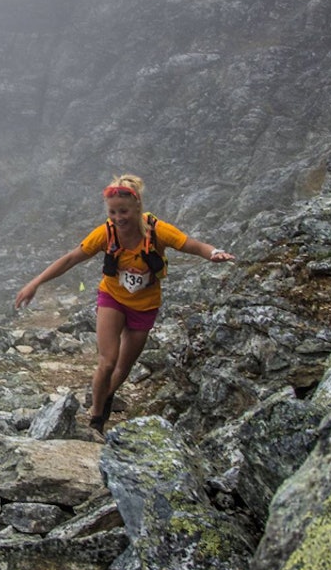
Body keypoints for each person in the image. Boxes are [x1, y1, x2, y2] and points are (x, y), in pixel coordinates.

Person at [14, 174, 236, 435]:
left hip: (145, 305)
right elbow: (71, 258)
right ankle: (96, 418)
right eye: (112, 212)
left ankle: (105, 396)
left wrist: (213, 253)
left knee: (122, 369)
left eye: (124, 211)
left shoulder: (157, 231)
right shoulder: (105, 233)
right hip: (113, 298)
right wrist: (35, 283)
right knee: (107, 362)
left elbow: (193, 245)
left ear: (138, 207)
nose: (118, 218)